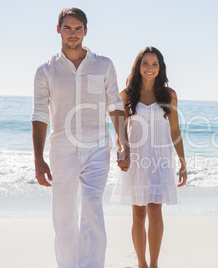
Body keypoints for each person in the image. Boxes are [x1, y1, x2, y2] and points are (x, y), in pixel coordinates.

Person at [31, 7, 129, 268]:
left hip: (98, 149)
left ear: (86, 31)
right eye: (67, 28)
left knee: (92, 210)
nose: (72, 33)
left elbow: (115, 105)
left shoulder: (103, 65)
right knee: (63, 218)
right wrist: (38, 159)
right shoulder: (45, 70)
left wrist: (124, 143)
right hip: (62, 150)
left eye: (77, 28)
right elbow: (40, 115)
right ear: (58, 30)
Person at [111, 46, 187, 268]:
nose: (150, 68)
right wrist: (121, 151)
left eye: (154, 64)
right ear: (138, 66)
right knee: (138, 214)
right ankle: (141, 264)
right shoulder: (126, 95)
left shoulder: (169, 95)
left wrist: (183, 163)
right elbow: (121, 132)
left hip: (161, 158)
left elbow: (175, 131)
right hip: (136, 158)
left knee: (155, 211)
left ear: (160, 68)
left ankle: (153, 264)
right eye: (145, 63)